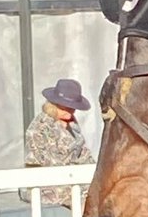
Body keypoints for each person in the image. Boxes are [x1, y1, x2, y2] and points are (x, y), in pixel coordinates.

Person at [22, 77, 94, 208]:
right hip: (47, 184)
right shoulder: (40, 129)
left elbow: (83, 155)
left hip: (72, 180)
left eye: (73, 108)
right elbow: (52, 165)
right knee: (85, 201)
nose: (71, 111)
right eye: (66, 107)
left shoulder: (72, 125)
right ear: (54, 104)